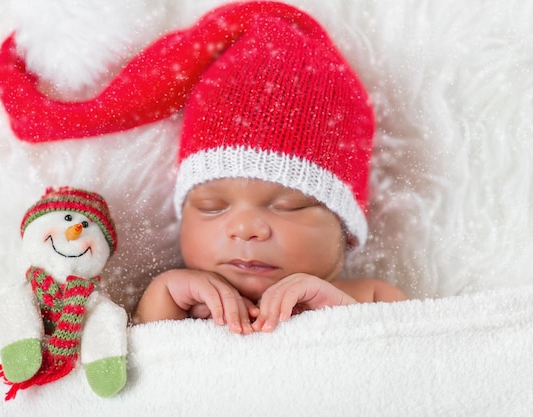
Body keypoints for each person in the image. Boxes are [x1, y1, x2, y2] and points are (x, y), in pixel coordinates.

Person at [131, 2, 407, 333]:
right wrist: (164, 293)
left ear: (345, 231)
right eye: (211, 206)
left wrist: (340, 313)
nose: (245, 227)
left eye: (290, 205)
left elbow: (406, 354)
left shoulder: (371, 297)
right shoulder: (180, 301)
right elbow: (147, 366)